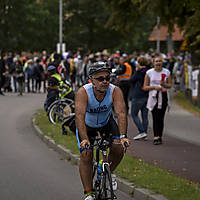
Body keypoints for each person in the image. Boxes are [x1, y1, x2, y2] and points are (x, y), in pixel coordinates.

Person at [75, 62, 130, 200]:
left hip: (106, 124)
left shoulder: (115, 91)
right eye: (100, 79)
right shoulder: (83, 92)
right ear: (91, 80)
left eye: (107, 78)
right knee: (87, 155)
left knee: (119, 148)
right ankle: (88, 193)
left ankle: (106, 171)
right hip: (87, 126)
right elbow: (79, 116)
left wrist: (123, 136)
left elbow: (121, 113)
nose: (105, 81)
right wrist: (85, 139)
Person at [143, 55, 172, 145]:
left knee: (161, 117)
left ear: (162, 63)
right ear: (153, 63)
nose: (158, 63)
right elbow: (145, 87)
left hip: (163, 96)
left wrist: (163, 84)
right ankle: (156, 137)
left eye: (160, 61)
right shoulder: (149, 72)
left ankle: (160, 135)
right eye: (156, 61)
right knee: (155, 116)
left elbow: (170, 85)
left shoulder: (166, 72)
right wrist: (154, 87)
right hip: (153, 96)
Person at [130, 57, 149, 140]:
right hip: (147, 95)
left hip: (138, 95)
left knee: (134, 114)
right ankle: (144, 131)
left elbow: (132, 80)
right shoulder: (149, 71)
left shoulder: (139, 72)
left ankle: (142, 131)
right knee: (145, 115)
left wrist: (136, 70)